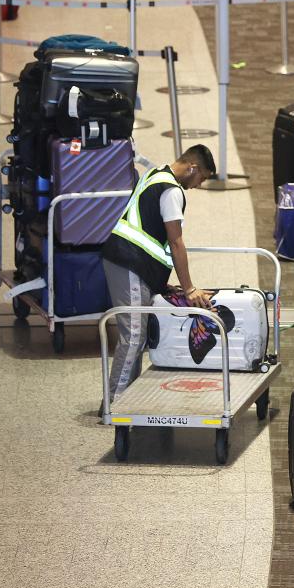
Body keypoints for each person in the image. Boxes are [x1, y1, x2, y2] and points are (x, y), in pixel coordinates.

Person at [101, 145, 216, 406]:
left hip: (129, 264)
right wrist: (189, 289)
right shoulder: (172, 190)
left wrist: (161, 284)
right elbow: (176, 242)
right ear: (192, 168)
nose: (199, 185)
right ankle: (115, 404)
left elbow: (147, 229)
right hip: (128, 264)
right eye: (202, 178)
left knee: (136, 337)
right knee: (133, 337)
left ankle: (124, 399)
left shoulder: (155, 174)